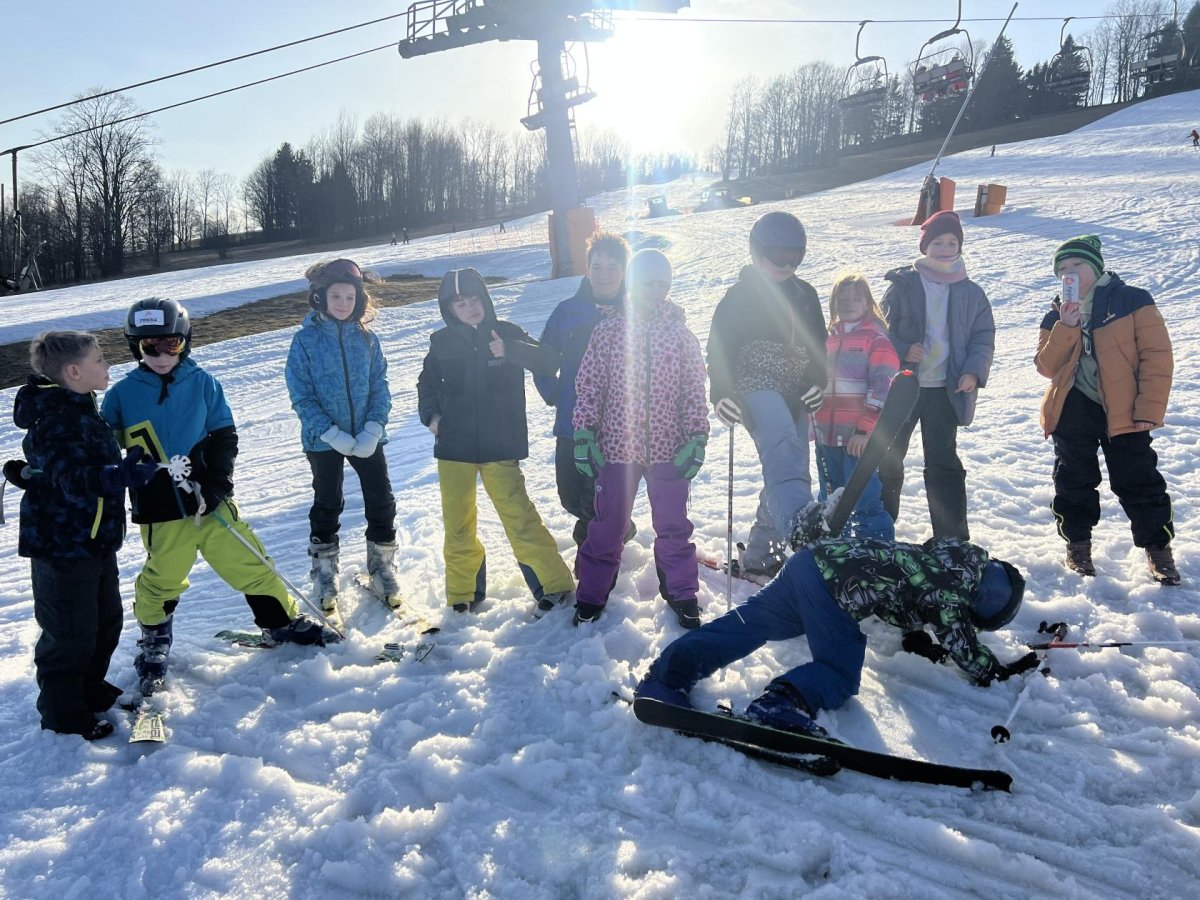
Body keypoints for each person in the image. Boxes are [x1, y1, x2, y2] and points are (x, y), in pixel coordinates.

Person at [102, 297, 330, 691]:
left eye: (171, 344)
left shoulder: (203, 383)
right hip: (160, 506)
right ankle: (154, 639)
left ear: (185, 342)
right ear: (135, 347)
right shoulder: (122, 394)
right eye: (149, 347)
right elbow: (101, 444)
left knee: (249, 559)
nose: (161, 355)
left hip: (210, 500)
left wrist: (218, 483)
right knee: (163, 575)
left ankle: (279, 621)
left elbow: (225, 436)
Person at [635, 537, 1037, 735]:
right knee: (840, 669)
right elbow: (960, 640)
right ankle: (781, 703)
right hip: (833, 589)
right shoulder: (950, 591)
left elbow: (902, 589)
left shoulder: (942, 561)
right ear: (983, 600)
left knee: (750, 624)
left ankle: (667, 676)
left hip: (809, 564)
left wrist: (916, 636)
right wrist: (992, 670)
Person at [7, 333, 156, 739]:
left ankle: (89, 688)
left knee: (105, 622)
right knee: (69, 634)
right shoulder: (57, 418)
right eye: (100, 359)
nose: (108, 365)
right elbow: (71, 478)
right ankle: (64, 715)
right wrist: (119, 475)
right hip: (62, 544)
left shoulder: (80, 405)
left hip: (93, 539)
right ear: (74, 371)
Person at [417, 268, 575, 614]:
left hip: (500, 444)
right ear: (449, 309)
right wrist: (431, 415)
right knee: (458, 522)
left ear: (485, 300)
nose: (470, 308)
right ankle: (463, 593)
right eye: (460, 303)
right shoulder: (441, 343)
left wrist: (512, 349)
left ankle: (553, 585)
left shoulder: (507, 332)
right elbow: (426, 385)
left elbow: (551, 361)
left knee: (518, 515)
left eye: (474, 299)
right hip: (454, 447)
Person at [572, 249, 709, 627]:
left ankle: (682, 592)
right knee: (608, 524)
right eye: (649, 283)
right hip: (618, 447)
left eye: (663, 284)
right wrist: (584, 432)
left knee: (674, 523)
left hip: (670, 448)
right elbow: (590, 386)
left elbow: (693, 389)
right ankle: (591, 595)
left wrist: (697, 436)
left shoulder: (680, 335)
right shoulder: (609, 331)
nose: (656, 291)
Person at [1035, 236, 1179, 584]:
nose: (1070, 273)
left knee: (1138, 479)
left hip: (1125, 409)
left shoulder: (1132, 300)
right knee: (1073, 480)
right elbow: (1046, 367)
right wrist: (1066, 327)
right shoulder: (1055, 314)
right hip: (1072, 408)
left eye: (1077, 265)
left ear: (1096, 267)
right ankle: (1078, 546)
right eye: (1062, 269)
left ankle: (1158, 549)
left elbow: (1157, 357)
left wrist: (1149, 408)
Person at [707, 210, 827, 578]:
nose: (787, 265)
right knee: (781, 447)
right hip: (753, 383)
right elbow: (719, 347)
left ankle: (761, 554)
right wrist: (722, 392)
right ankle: (802, 522)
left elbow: (818, 345)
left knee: (790, 466)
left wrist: (816, 381)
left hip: (794, 388)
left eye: (796, 257)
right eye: (779, 256)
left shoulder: (805, 294)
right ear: (758, 252)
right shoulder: (740, 296)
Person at [285, 259, 399, 611]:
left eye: (350, 297)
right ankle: (324, 569)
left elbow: (380, 386)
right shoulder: (304, 341)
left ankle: (381, 565)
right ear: (321, 297)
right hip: (323, 440)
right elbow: (301, 395)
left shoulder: (367, 340)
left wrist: (373, 427)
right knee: (328, 500)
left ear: (359, 300)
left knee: (381, 498)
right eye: (336, 296)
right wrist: (330, 433)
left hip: (366, 435)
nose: (343, 303)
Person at [879, 210, 994, 541]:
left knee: (943, 461)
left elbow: (983, 336)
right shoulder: (904, 286)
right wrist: (903, 349)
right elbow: (880, 330)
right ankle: (879, 529)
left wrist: (973, 371)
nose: (945, 248)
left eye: (952, 242)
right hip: (903, 386)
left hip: (945, 389)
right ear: (925, 246)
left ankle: (951, 538)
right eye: (938, 242)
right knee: (887, 457)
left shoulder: (971, 292)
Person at [533, 232, 631, 555]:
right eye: (597, 266)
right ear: (587, 269)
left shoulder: (634, 314)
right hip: (571, 423)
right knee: (569, 495)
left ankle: (591, 560)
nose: (604, 275)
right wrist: (554, 393)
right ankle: (619, 525)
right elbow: (544, 358)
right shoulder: (567, 312)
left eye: (613, 267)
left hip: (615, 429)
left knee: (595, 499)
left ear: (624, 272)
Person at [813, 273, 899, 540]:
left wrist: (864, 430)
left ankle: (876, 546)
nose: (849, 303)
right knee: (830, 497)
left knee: (864, 496)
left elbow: (882, 387)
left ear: (868, 303)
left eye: (856, 298)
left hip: (856, 438)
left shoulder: (875, 339)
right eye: (842, 299)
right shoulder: (826, 339)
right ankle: (835, 547)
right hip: (826, 435)